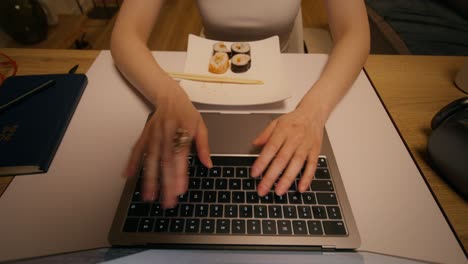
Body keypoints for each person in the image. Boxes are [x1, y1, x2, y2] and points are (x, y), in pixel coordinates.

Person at [110, 0, 370, 209]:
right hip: (211, 75)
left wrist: (312, 113)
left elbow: (354, 32)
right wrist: (168, 96)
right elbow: (126, 33)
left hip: (290, 77)